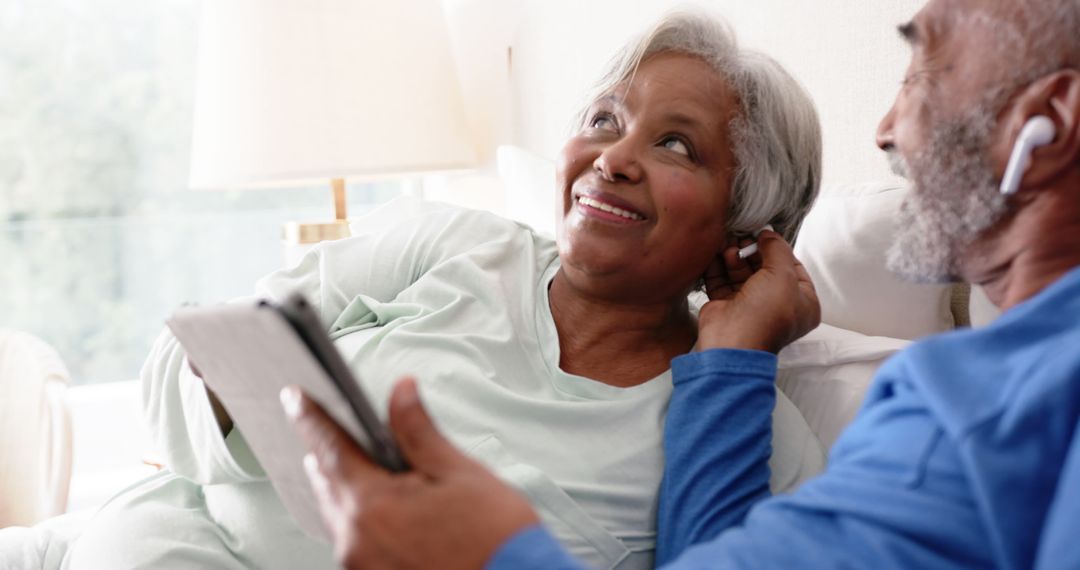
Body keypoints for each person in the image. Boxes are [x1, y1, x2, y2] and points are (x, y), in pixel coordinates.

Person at [284, 0, 1080, 568]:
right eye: (603, 120)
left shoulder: (982, 409)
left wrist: (490, 551)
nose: (884, 129)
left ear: (1049, 123)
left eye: (927, 67)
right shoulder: (956, 396)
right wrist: (731, 354)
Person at [60, 11, 826, 570]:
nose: (613, 158)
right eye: (604, 118)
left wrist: (735, 355)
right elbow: (181, 362)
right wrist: (229, 390)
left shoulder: (750, 434)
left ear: (745, 226)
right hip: (160, 538)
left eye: (673, 144)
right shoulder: (447, 244)